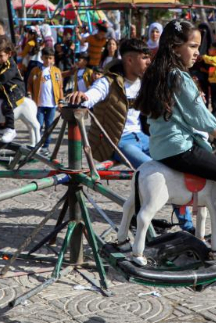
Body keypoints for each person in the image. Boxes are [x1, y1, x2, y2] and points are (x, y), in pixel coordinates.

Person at [133, 19, 216, 256]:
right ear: (175, 47)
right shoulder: (179, 77)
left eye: (198, 47)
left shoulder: (155, 73)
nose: (198, 53)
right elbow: (202, 118)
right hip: (179, 149)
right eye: (193, 47)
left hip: (160, 148)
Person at [67, 38, 196, 232]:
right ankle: (142, 220)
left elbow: (170, 96)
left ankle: (188, 227)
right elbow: (92, 95)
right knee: (155, 172)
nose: (148, 62)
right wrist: (82, 97)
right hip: (119, 141)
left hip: (145, 138)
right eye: (144, 58)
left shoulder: (146, 81)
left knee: (177, 166)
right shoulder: (108, 82)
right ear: (129, 60)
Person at [0, 36, 26, 145]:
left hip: (15, 89)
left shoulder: (10, 65)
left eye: (0, 56)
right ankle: (0, 125)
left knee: (6, 105)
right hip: (4, 88)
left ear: (9, 54)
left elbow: (3, 77)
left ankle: (10, 129)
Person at [27, 47, 63, 153]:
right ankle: (37, 143)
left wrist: (61, 101)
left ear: (53, 59)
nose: (48, 60)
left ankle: (46, 146)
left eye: (50, 58)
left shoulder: (56, 71)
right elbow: (29, 83)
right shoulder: (36, 70)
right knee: (38, 124)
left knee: (49, 125)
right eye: (46, 58)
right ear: (42, 58)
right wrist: (29, 93)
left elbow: (60, 87)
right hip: (39, 103)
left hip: (51, 104)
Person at [200, 42, 216, 122]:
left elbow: (209, 59)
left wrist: (202, 56)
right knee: (215, 104)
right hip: (213, 84)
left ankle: (212, 121)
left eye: (211, 49)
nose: (209, 50)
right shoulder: (214, 61)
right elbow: (213, 71)